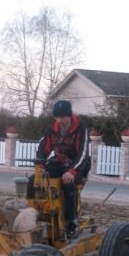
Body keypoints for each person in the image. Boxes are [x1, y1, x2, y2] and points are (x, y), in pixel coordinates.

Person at [27, 100, 90, 236]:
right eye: (57, 117)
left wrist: (72, 172)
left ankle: (70, 220)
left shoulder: (81, 128)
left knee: (67, 183)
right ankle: (33, 214)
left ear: (69, 115)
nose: (60, 120)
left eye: (63, 117)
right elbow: (42, 150)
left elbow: (83, 154)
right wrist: (40, 167)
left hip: (78, 165)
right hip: (59, 162)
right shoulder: (51, 129)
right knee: (33, 180)